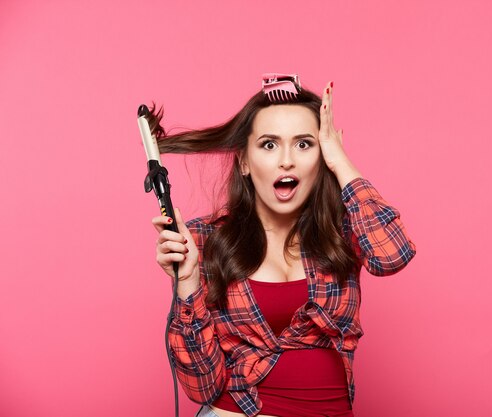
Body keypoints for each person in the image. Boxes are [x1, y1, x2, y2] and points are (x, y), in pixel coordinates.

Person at [150, 76, 416, 417]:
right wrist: (186, 282)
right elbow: (201, 385)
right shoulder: (205, 239)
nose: (286, 161)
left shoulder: (344, 231)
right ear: (244, 162)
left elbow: (393, 255)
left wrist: (339, 161)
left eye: (304, 144)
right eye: (269, 145)